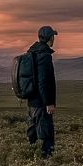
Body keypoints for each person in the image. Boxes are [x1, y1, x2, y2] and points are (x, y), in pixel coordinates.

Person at [26, 25, 57, 158]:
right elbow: (43, 82)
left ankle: (29, 156)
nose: (53, 39)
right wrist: (48, 102)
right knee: (46, 134)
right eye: (53, 36)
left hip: (32, 100)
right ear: (50, 38)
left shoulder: (32, 53)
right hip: (41, 102)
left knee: (33, 131)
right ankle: (47, 164)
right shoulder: (44, 56)